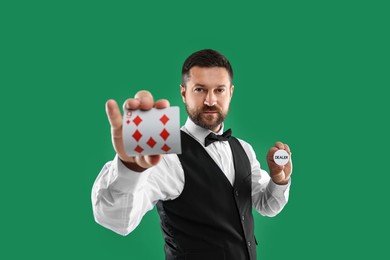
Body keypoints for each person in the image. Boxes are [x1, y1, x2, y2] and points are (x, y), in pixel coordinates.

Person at [91, 49, 292, 260]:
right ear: (184, 93)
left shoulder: (243, 148)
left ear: (230, 92)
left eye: (219, 90)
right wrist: (130, 169)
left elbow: (266, 205)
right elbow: (117, 220)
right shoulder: (165, 152)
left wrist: (279, 181)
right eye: (200, 89)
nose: (210, 100)